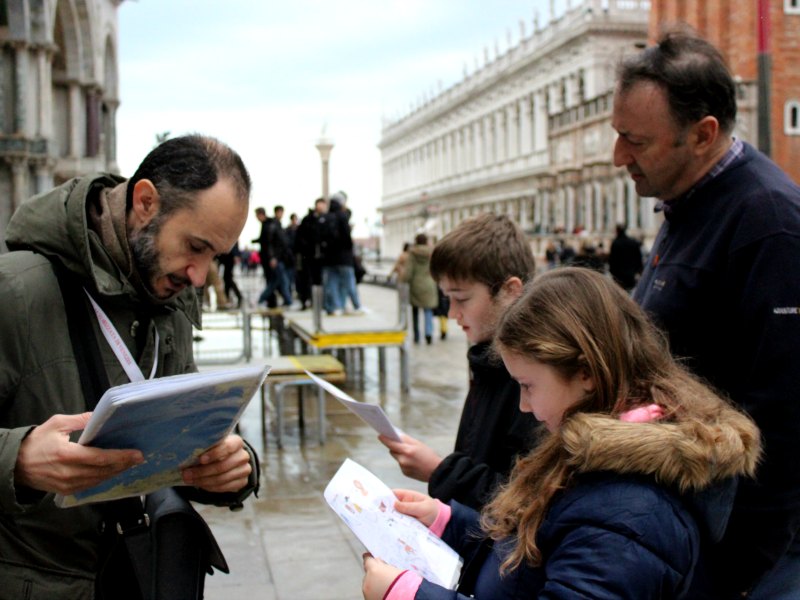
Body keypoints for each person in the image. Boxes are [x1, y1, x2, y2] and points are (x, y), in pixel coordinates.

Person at [362, 267, 761, 600]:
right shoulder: (595, 452)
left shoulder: (627, 512)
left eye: (528, 386)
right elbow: (530, 560)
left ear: (586, 373)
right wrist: (448, 523)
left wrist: (406, 594)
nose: (523, 405)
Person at [0, 134, 260, 597]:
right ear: (145, 202)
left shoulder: (169, 297)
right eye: (194, 246)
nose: (199, 276)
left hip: (140, 572)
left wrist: (231, 468)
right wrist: (17, 460)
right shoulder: (16, 290)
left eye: (214, 257)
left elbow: (179, 435)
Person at [612, 30, 800, 598]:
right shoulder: (686, 206)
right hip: (693, 521)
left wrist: (736, 572)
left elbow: (786, 415)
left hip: (749, 551)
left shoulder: (768, 223)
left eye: (635, 141)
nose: (619, 157)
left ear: (703, 134)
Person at [379, 213, 539, 510]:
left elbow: (527, 500)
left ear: (510, 291)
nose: (452, 313)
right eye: (448, 299)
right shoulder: (488, 360)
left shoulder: (534, 378)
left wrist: (438, 472)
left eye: (461, 299)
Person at [402, 233, 439, 344]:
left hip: (415, 285)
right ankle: (428, 334)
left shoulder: (412, 253)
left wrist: (404, 280)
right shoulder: (432, 252)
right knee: (428, 310)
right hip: (429, 284)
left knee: (415, 311)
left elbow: (408, 271)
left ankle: (416, 335)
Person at [607, 223, 643, 291]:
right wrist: (638, 270)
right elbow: (638, 258)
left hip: (619, 276)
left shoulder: (615, 243)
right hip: (631, 274)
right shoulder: (633, 242)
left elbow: (612, 260)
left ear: (617, 231)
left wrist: (612, 272)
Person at [217, 241, 243, 308]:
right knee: (227, 278)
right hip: (226, 256)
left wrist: (235, 254)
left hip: (229, 256)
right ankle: (228, 297)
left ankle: (236, 296)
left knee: (228, 278)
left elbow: (233, 242)